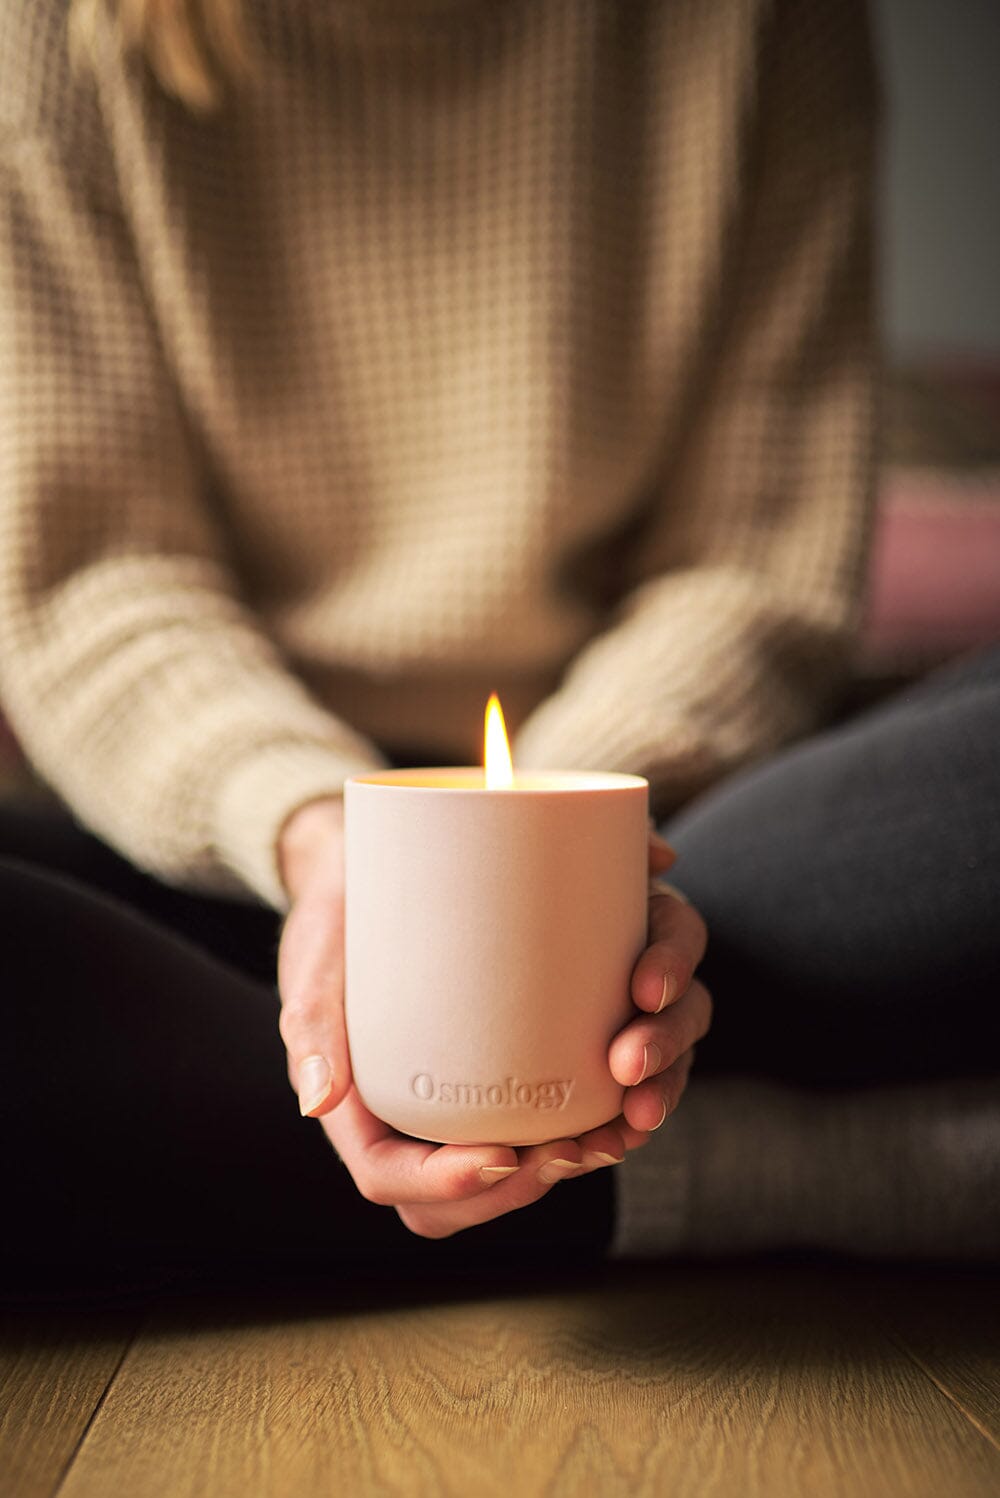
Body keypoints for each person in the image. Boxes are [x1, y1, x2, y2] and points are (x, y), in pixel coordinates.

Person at [0, 0, 996, 1304]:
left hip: (682, 853)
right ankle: (743, 1170)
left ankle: (321, 1134)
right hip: (238, 865)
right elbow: (90, 576)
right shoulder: (58, 34)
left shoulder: (760, 25)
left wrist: (542, 878)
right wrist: (325, 841)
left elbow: (751, 561)